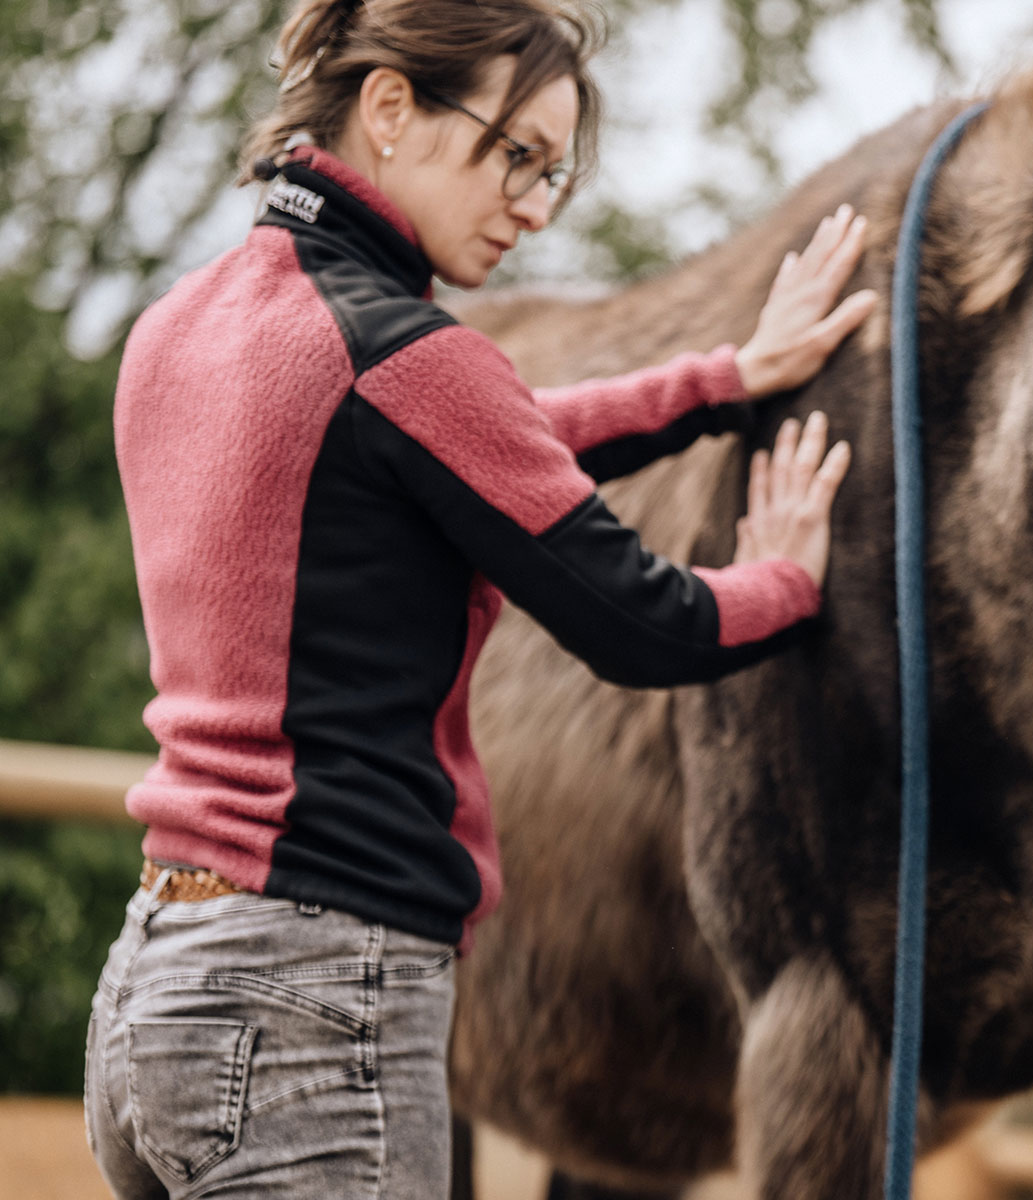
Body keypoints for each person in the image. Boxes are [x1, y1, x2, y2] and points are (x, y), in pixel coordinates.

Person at [82, 0, 875, 1195]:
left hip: (158, 993)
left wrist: (723, 381)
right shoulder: (404, 357)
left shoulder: (179, 330)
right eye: (516, 154)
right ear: (390, 107)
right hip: (318, 1000)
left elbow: (473, 444)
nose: (537, 204)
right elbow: (643, 621)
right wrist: (782, 580)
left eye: (554, 171)